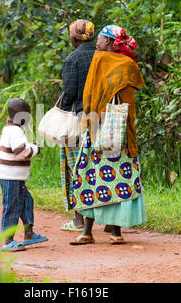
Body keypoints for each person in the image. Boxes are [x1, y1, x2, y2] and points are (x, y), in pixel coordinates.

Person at [69, 25, 147, 245]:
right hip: (117, 128)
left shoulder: (101, 60)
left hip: (99, 127)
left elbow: (93, 93)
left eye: (102, 38)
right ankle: (111, 232)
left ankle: (92, 232)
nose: (97, 42)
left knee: (90, 174)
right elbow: (126, 99)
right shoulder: (125, 64)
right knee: (116, 177)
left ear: (112, 42)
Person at [0, 98, 48, 251]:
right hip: (11, 177)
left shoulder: (10, 129)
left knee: (26, 202)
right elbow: (20, 152)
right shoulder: (15, 131)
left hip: (14, 177)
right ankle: (7, 241)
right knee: (12, 207)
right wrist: (34, 149)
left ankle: (29, 233)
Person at [59, 19, 96, 232]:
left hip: (79, 117)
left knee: (75, 165)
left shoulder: (73, 58)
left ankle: (78, 219)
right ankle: (109, 220)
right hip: (104, 118)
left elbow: (69, 92)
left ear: (74, 38)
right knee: (98, 165)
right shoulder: (103, 55)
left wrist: (63, 109)